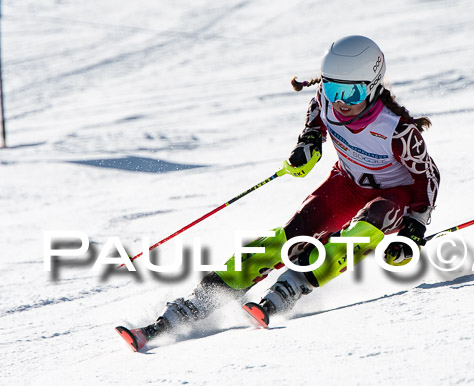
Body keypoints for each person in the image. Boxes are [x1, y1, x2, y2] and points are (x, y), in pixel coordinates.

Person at [116, 35, 440, 351]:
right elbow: (316, 123)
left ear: (372, 87)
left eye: (351, 93)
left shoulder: (396, 129)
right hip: (347, 184)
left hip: (395, 195)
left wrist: (416, 224)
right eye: (332, 87)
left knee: (365, 226)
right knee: (293, 235)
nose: (340, 101)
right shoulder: (325, 102)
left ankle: (296, 283)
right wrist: (308, 145)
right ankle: (202, 299)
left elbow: (427, 176)